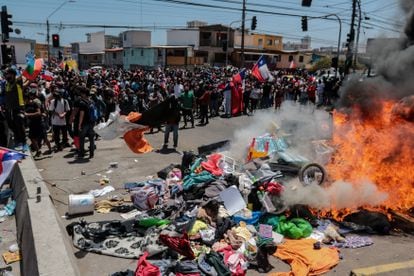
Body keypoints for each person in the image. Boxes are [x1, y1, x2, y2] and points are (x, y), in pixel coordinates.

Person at [4, 68, 27, 151]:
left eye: (8, 74)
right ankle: (18, 140)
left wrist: (29, 66)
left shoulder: (17, 82)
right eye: (6, 74)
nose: (7, 76)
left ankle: (23, 143)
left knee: (19, 125)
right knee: (11, 124)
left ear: (13, 75)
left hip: (18, 107)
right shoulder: (7, 84)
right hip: (9, 108)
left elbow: (23, 75)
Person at [77, 87, 96, 158]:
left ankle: (81, 153)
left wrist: (79, 124)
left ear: (84, 94)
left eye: (82, 93)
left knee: (81, 138)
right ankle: (91, 153)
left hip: (85, 123)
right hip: (92, 122)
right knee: (91, 138)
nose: (81, 95)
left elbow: (81, 114)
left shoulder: (82, 103)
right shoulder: (92, 101)